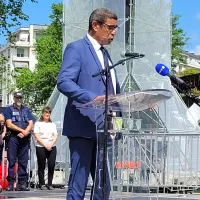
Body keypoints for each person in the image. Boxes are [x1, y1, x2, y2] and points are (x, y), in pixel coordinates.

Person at [57, 8, 120, 200]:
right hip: (83, 127)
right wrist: (89, 97)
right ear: (95, 25)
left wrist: (139, 104)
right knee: (78, 184)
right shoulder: (77, 48)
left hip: (105, 131)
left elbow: (115, 92)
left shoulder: (106, 55)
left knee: (103, 187)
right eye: (110, 27)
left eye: (116, 28)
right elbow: (64, 81)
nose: (114, 32)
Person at [4, 91, 34, 191]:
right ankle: (11, 183)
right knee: (11, 161)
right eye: (17, 98)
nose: (19, 100)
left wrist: (26, 132)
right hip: (13, 138)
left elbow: (30, 123)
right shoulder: (9, 109)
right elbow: (9, 124)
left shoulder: (26, 109)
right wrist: (22, 131)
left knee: (23, 162)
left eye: (20, 98)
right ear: (14, 98)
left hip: (24, 138)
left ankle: (22, 184)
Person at [34, 107, 58, 190]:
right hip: (41, 146)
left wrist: (51, 144)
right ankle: (42, 184)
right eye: (46, 113)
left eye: (49, 113)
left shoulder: (53, 124)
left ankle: (50, 184)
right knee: (42, 165)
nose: (47, 114)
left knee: (51, 164)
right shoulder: (38, 124)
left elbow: (55, 136)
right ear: (42, 114)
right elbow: (36, 135)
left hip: (51, 146)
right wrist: (45, 145)